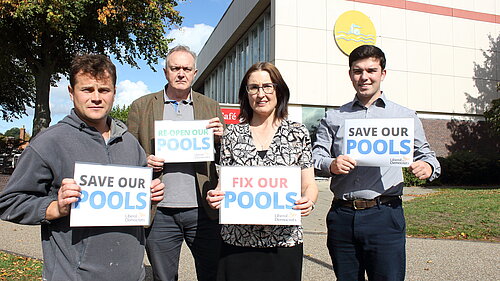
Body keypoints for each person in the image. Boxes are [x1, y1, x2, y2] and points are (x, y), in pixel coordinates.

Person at [0, 54, 165, 281]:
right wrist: (55, 208)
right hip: (74, 276)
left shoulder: (130, 143)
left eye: (104, 90)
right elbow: (10, 202)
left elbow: (136, 206)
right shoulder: (49, 142)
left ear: (114, 92)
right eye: (87, 90)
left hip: (132, 275)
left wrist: (150, 197)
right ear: (71, 92)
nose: (96, 98)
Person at [312, 45, 441, 281]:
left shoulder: (404, 116)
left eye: (371, 70)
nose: (364, 77)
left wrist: (428, 167)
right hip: (342, 216)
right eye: (357, 71)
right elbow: (315, 157)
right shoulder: (334, 117)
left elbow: (428, 156)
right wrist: (331, 164)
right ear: (350, 74)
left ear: (383, 73)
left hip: (385, 214)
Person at [206, 62, 318, 281]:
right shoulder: (232, 135)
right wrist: (214, 196)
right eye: (253, 87)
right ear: (246, 94)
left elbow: (309, 184)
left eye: (268, 86)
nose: (261, 94)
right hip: (237, 241)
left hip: (284, 241)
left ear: (279, 90)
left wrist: (310, 200)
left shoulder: (297, 133)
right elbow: (223, 184)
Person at [127, 45, 224, 281]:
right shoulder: (141, 106)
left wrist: (222, 139)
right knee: (164, 277)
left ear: (195, 72)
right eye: (175, 68)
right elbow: (127, 154)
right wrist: (143, 161)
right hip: (159, 211)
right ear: (165, 72)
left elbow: (226, 157)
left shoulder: (210, 106)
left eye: (186, 68)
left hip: (203, 209)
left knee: (212, 273)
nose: (181, 73)